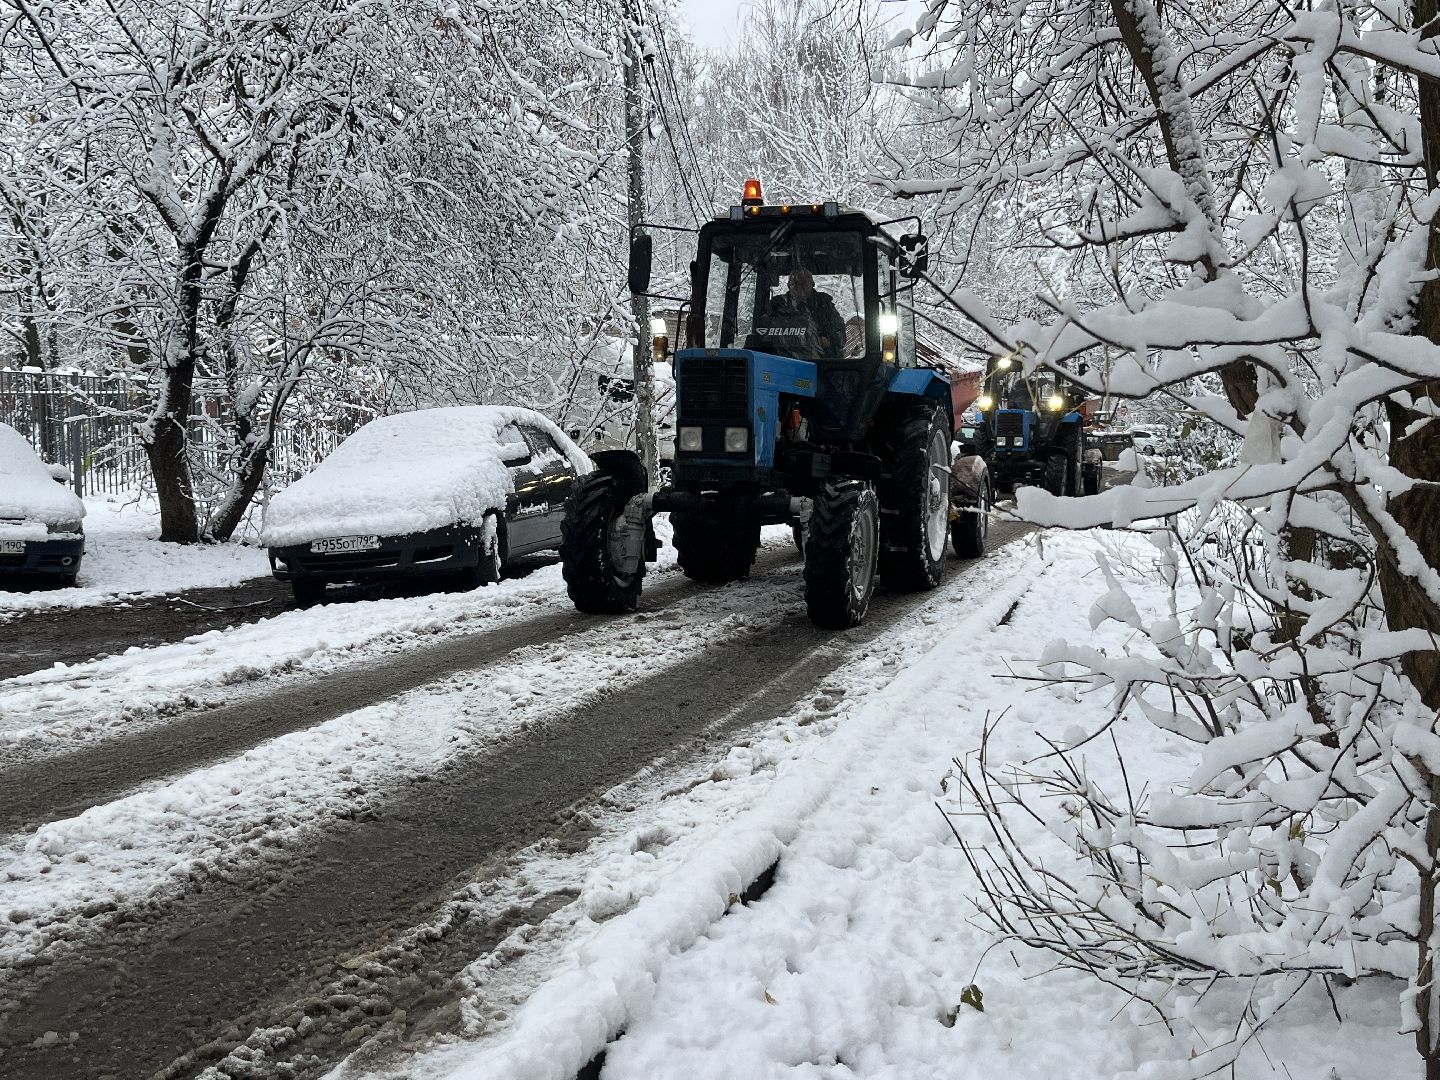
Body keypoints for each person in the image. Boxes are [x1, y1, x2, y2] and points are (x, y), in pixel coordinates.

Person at [768, 265, 846, 358]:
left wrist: (827, 341)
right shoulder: (777, 306)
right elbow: (766, 335)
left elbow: (840, 335)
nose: (799, 287)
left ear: (812, 284)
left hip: (823, 364)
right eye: (795, 283)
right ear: (789, 285)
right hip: (784, 363)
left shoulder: (825, 305)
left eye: (803, 283)